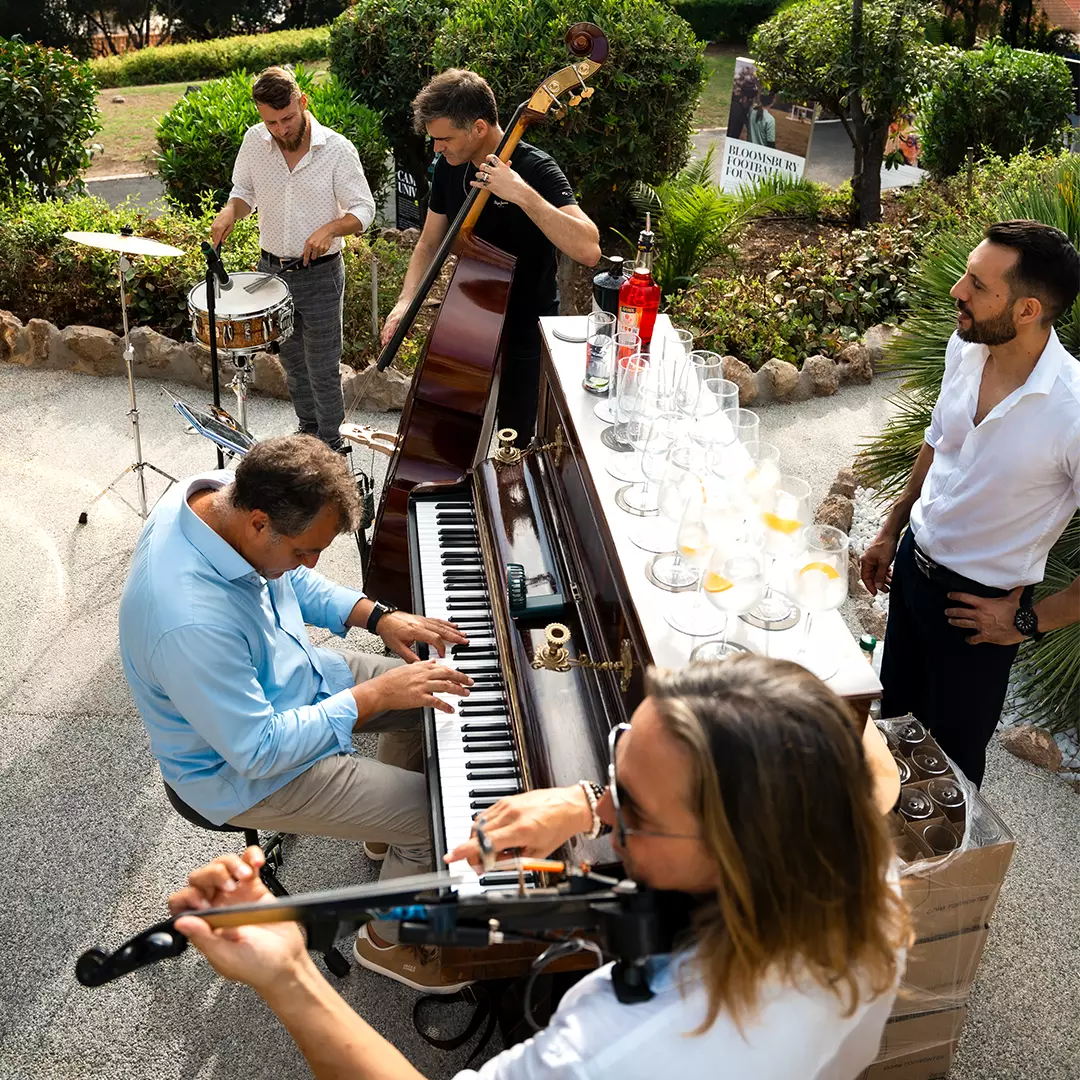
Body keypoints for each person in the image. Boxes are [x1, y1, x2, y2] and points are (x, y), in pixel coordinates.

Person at [167, 657, 910, 1080]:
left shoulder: (621, 1046)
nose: (610, 815)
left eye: (635, 814)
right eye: (612, 768)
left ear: (740, 855)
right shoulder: (863, 879)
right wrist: (587, 806)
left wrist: (287, 973)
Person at [119, 435, 477, 992]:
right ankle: (387, 940)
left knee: (433, 695)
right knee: (439, 820)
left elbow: (292, 575)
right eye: (304, 550)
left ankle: (385, 837)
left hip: (299, 681)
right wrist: (373, 697)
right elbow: (258, 749)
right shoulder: (189, 620)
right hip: (243, 773)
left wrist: (377, 616)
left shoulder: (220, 499)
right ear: (259, 524)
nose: (309, 564)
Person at [861, 220, 1080, 787]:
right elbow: (938, 442)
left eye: (979, 285)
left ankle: (943, 874)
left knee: (948, 772)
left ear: (1028, 309)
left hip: (980, 615)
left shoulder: (1073, 411)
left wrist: (1028, 621)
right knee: (892, 737)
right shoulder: (967, 346)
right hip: (912, 572)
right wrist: (891, 530)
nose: (959, 290)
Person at [381, 69, 602, 446]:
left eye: (444, 138)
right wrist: (404, 302)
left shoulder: (535, 168)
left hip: (526, 330)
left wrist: (521, 193)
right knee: (455, 435)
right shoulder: (450, 169)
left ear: (479, 128)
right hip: (468, 324)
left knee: (516, 442)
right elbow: (429, 243)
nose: (437, 149)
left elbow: (589, 248)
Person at [210, 67, 376, 454]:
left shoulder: (336, 149)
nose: (281, 129)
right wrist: (230, 212)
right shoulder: (255, 141)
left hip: (320, 275)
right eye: (272, 122)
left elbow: (364, 209)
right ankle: (307, 434)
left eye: (287, 118)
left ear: (302, 103)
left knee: (321, 366)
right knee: (293, 365)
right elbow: (244, 191)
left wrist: (332, 228)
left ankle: (333, 448)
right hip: (272, 273)